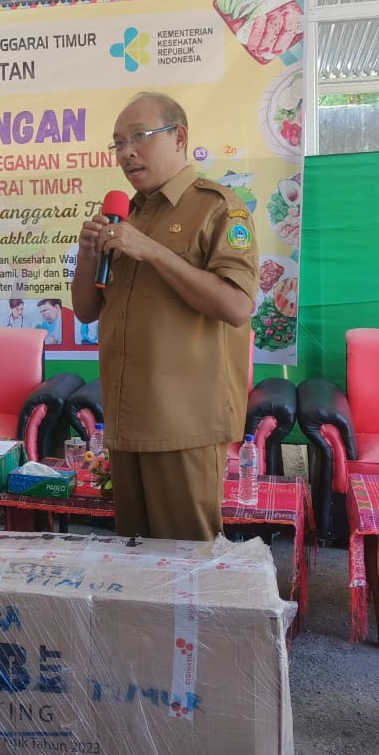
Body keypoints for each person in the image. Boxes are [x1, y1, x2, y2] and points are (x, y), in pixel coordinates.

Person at [71, 92, 257, 541]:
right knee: (138, 565)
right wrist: (87, 253)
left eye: (139, 136)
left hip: (183, 424)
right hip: (126, 420)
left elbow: (236, 306)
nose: (126, 152)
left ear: (180, 138)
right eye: (117, 142)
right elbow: (86, 309)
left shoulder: (218, 207)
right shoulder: (127, 213)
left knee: (186, 567)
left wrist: (151, 250)